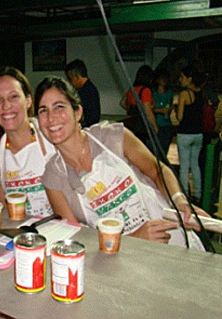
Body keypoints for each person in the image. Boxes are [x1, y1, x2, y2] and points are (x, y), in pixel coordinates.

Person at [35, 75, 207, 250]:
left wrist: (178, 200)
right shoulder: (53, 177)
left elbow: (157, 170)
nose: (51, 117)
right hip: (118, 257)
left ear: (77, 112)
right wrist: (132, 239)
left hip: (170, 237)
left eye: (59, 107)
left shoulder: (111, 136)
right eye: (43, 110)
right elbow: (75, 236)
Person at [0, 67, 55, 216]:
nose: (6, 106)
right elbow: (4, 213)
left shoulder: (52, 136)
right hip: (22, 234)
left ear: (29, 101)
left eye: (13, 96)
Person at [175, 65, 205, 205]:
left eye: (182, 77)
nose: (180, 80)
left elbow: (180, 116)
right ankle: (198, 194)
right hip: (198, 134)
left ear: (189, 79)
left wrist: (175, 110)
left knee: (184, 167)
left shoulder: (184, 94)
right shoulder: (201, 93)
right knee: (195, 165)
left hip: (185, 133)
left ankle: (185, 196)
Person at [120, 65, 157, 145]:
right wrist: (154, 126)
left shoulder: (132, 89)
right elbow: (148, 111)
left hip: (130, 125)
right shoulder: (146, 90)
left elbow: (122, 102)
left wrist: (129, 109)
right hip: (142, 128)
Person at [65, 59, 101, 128]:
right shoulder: (90, 88)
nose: (70, 83)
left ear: (77, 77)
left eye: (70, 79)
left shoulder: (85, 92)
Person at [152, 69, 175, 155]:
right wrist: (159, 110)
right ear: (157, 80)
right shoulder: (152, 93)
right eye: (162, 78)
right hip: (156, 124)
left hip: (167, 124)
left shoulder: (170, 93)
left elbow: (169, 105)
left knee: (164, 151)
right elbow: (149, 109)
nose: (164, 80)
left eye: (166, 78)